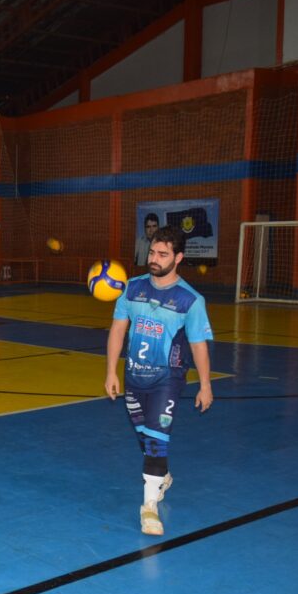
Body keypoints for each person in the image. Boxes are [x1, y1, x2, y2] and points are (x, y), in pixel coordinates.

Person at [104, 226, 213, 536]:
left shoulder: (190, 300)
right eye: (152, 252)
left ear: (178, 258)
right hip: (134, 377)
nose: (154, 258)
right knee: (145, 438)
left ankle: (149, 507)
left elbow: (198, 345)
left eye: (163, 254)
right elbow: (117, 330)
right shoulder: (131, 288)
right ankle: (161, 474)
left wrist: (205, 385)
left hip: (168, 378)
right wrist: (111, 371)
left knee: (155, 438)